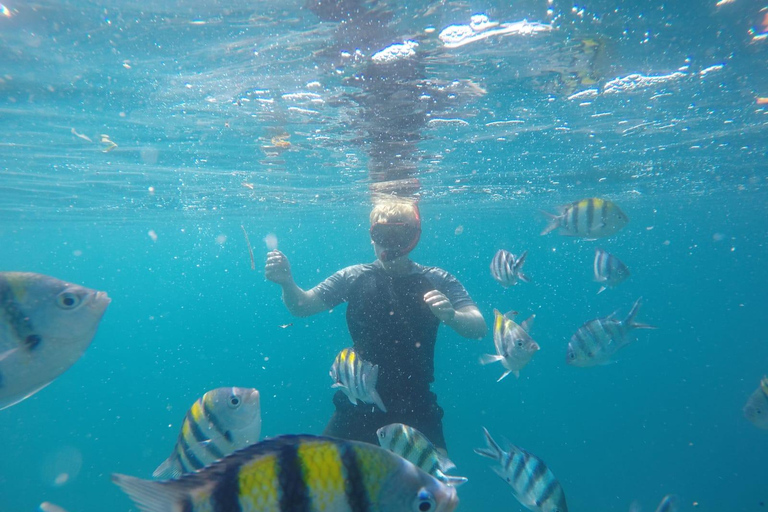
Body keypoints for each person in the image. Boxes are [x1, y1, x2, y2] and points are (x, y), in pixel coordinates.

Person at [265, 197, 486, 450]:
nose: (389, 243)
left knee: (439, 488)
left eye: (399, 234)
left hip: (416, 405)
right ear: (371, 236)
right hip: (358, 403)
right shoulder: (353, 276)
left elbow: (478, 326)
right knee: (323, 482)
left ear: (413, 238)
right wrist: (287, 283)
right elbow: (302, 307)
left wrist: (453, 317)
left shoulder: (436, 279)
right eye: (382, 233)